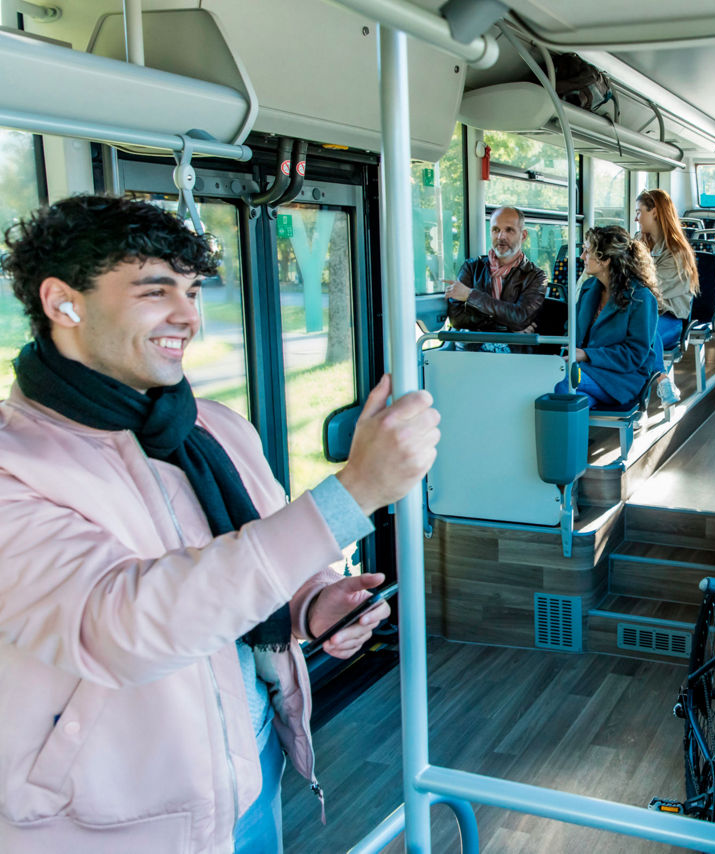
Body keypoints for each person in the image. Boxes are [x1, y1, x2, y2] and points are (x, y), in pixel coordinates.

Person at [0, 195, 441, 853]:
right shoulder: (16, 466)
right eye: (157, 292)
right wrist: (353, 495)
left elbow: (253, 564)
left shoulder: (214, 430)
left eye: (195, 291)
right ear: (65, 303)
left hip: (249, 773)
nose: (190, 316)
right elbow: (125, 625)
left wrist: (313, 604)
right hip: (104, 823)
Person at [559, 225, 664, 409]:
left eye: (587, 251)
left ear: (605, 259)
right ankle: (574, 436)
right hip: (589, 370)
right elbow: (572, 329)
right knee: (570, 398)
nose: (582, 257)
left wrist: (587, 355)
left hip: (622, 377)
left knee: (563, 380)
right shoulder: (589, 288)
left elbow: (634, 354)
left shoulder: (641, 298)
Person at [635, 188, 699, 407]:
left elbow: (650, 290)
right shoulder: (638, 244)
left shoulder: (676, 252)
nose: (636, 218)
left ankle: (651, 386)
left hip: (670, 319)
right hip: (641, 315)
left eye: (640, 211)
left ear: (654, 212)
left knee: (642, 330)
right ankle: (662, 378)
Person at [444, 205, 547, 336]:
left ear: (523, 235)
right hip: (474, 348)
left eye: (509, 230)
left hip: (514, 350)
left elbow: (521, 318)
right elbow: (456, 318)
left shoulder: (536, 276)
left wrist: (471, 296)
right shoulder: (471, 267)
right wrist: (507, 327)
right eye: (496, 230)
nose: (500, 236)